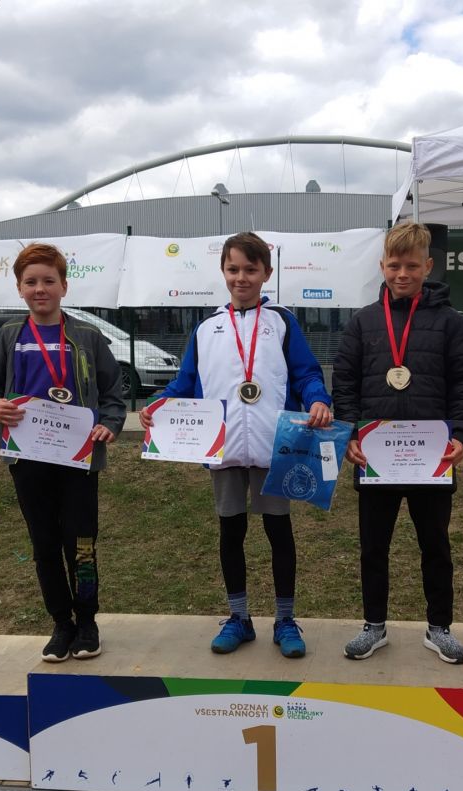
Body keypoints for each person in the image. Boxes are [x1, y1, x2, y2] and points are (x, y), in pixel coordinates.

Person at [139, 231, 332, 658]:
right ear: (222, 271)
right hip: (222, 448)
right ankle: (239, 618)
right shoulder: (207, 328)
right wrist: (158, 403)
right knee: (231, 531)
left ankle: (285, 620)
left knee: (278, 532)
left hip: (273, 446)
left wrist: (318, 398)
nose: (240, 277)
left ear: (266, 273)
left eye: (250, 269)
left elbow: (305, 372)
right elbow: (186, 381)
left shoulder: (282, 323)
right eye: (233, 269)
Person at [332, 221, 463, 664]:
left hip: (431, 457)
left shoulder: (451, 324)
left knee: (435, 546)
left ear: (428, 267)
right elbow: (345, 384)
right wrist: (349, 434)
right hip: (376, 458)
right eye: (394, 265)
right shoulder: (362, 323)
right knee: (373, 548)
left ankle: (440, 628)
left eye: (411, 266)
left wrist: (461, 435)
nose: (402, 274)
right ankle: (374, 626)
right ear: (382, 266)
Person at [0, 243, 126, 661]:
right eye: (31, 282)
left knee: (82, 544)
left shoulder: (87, 337)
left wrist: (110, 424)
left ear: (64, 286)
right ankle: (61, 624)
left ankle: (88, 622)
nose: (40, 289)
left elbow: (113, 393)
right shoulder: (10, 336)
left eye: (48, 280)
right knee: (44, 544)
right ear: (19, 289)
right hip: (28, 458)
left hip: (78, 458)